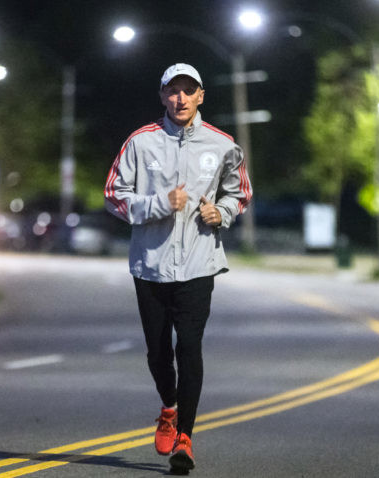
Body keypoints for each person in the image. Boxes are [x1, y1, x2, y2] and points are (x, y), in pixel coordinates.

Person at [104, 63, 252, 473]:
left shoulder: (222, 144)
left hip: (199, 264)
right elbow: (113, 195)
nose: (180, 98)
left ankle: (185, 437)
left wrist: (221, 213)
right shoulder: (140, 142)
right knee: (158, 351)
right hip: (150, 266)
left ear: (201, 95)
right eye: (173, 91)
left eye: (189, 90)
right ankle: (168, 407)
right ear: (162, 96)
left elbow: (240, 193)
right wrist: (158, 204)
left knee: (189, 346)